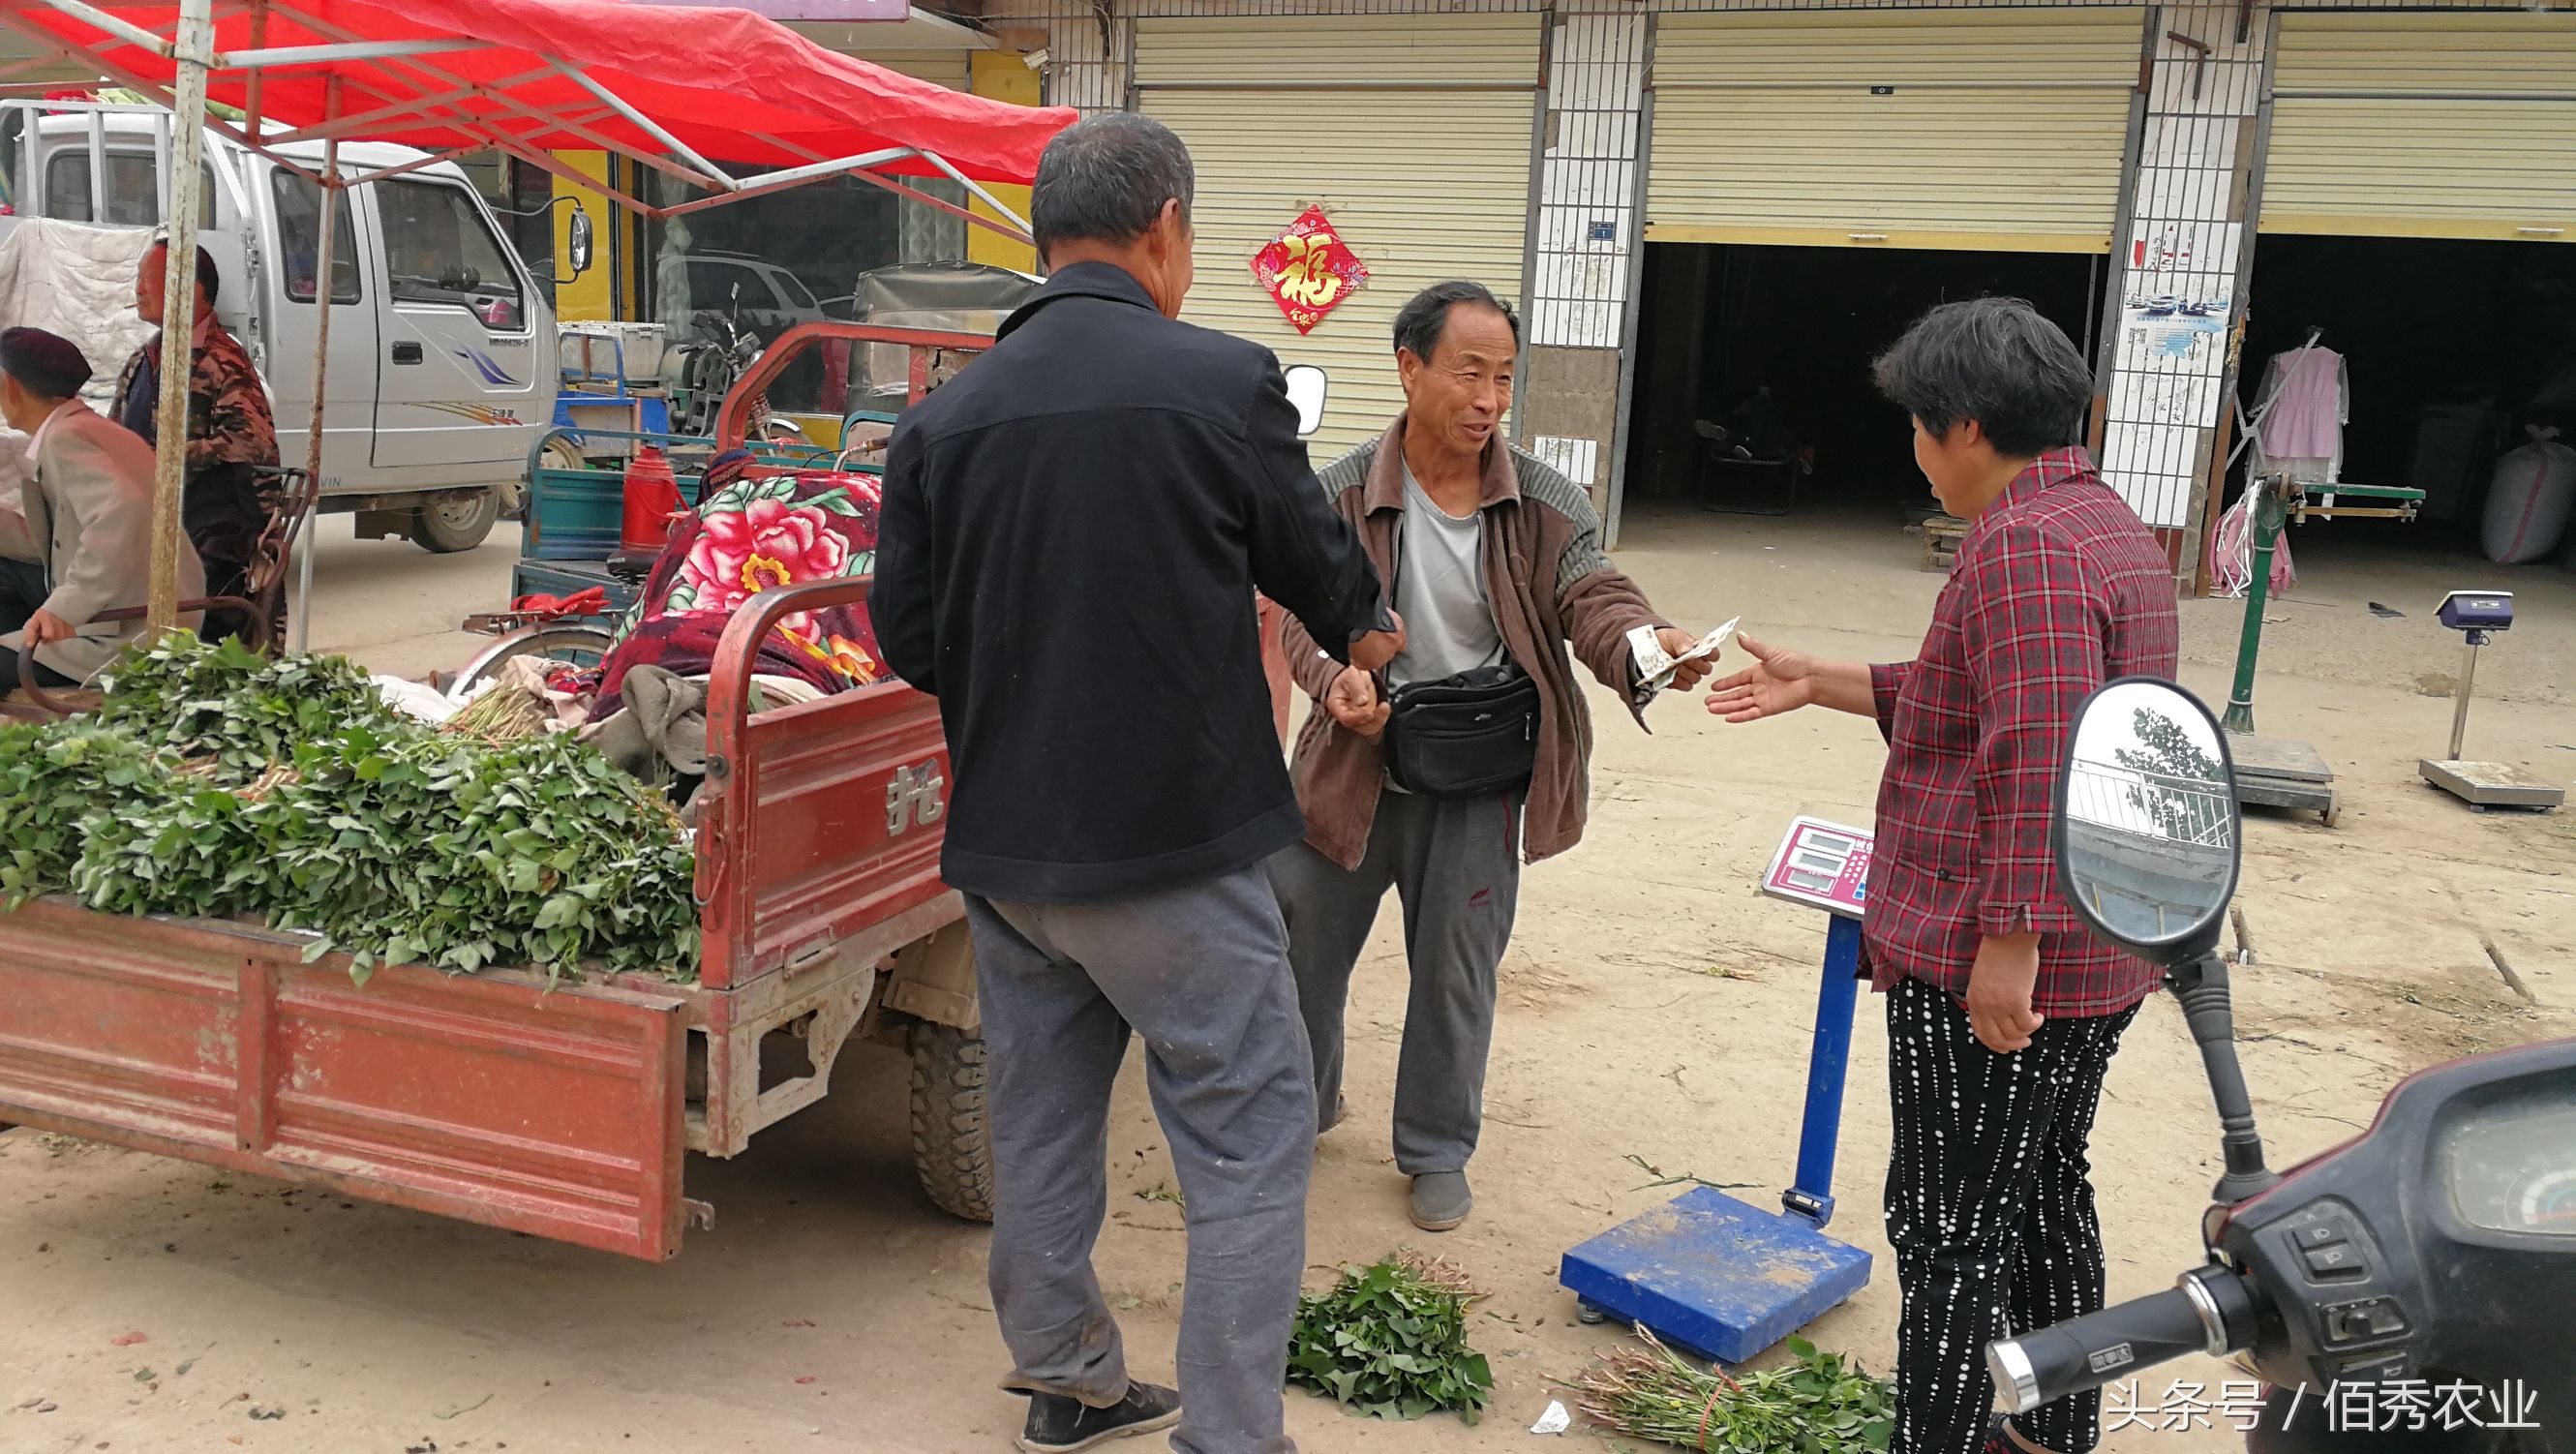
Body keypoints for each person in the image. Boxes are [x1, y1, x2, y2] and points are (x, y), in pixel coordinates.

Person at [871, 113, 1401, 1454]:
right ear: (1165, 225)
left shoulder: (941, 418)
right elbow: (1311, 557)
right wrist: (1366, 627)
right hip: (1171, 854)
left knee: (1042, 1123)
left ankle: (1068, 1379)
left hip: (1008, 858)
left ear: (1047, 236)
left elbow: (906, 640)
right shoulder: (1224, 381)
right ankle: (1230, 1431)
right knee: (1248, 1130)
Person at [1704, 296, 2179, 1454]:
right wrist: (1825, 678)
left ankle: (1948, 1438)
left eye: (1917, 425)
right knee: (2045, 1193)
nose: (1913, 449)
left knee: (1951, 1228)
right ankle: (2055, 1432)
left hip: (2003, 960)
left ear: (1963, 426)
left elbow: (2036, 748)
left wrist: (2006, 942)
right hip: (2101, 947)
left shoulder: (2020, 545)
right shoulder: (2102, 523)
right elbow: (1987, 695)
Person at [1271, 280, 1716, 1234]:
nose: (1488, 400)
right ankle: (1298, 1109)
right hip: (1354, 767)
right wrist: (1331, 679)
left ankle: (1435, 1148)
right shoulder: (1341, 490)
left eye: (1504, 378)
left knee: (1455, 968)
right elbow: (1295, 613)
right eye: (1469, 373)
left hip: (1478, 773)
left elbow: (1593, 596)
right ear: (1409, 366)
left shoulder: (1544, 501)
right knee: (1296, 947)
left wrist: (1646, 646)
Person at [0, 325, 204, 692]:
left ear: (11, 386)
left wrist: (63, 608)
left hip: (130, 633)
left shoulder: (66, 439)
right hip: (151, 612)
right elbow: (59, 541)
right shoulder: (96, 429)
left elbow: (120, 515)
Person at [111, 240, 278, 640]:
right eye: (139, 279)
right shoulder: (143, 360)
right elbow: (113, 432)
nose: (138, 289)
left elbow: (250, 442)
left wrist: (164, 458)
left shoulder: (222, 360)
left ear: (191, 289)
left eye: (148, 279)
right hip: (146, 519)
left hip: (213, 533)